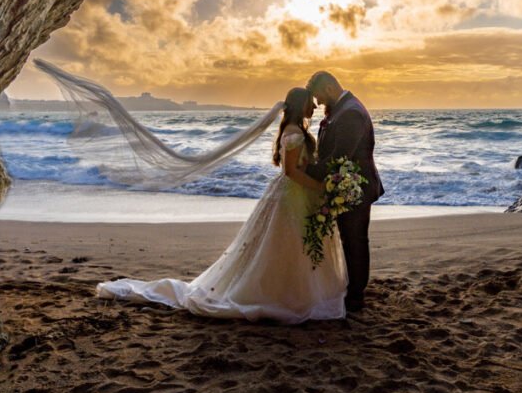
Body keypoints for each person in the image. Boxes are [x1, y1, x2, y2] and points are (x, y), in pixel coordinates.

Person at [90, 86, 348, 323]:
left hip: (294, 195)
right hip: (292, 195)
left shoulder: (295, 131)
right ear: (301, 104)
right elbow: (291, 171)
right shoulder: (293, 134)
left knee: (293, 246)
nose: (313, 107)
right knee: (288, 246)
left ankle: (294, 291)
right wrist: (319, 188)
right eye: (310, 104)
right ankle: (286, 295)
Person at [305, 71, 385, 312]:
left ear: (329, 88)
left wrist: (304, 169)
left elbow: (339, 158)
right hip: (348, 186)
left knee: (355, 241)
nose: (318, 104)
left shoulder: (350, 113)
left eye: (318, 97)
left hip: (356, 188)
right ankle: (352, 289)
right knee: (349, 240)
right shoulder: (343, 109)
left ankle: (356, 297)